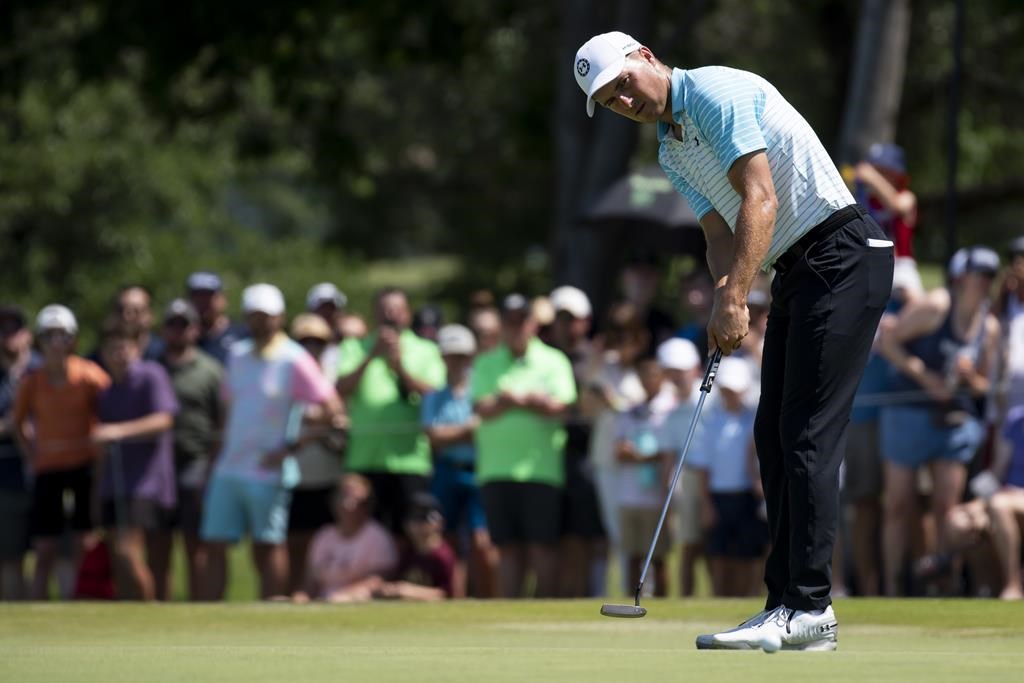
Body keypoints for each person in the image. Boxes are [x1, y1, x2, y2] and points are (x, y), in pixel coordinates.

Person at [574, 31, 894, 649]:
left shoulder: (716, 92)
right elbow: (719, 231)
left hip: (843, 253)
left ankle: (811, 607)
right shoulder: (672, 151)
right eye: (609, 98)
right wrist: (728, 289)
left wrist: (735, 296)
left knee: (805, 435)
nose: (623, 99)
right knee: (771, 435)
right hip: (800, 272)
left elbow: (761, 198)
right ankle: (785, 605)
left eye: (623, 82)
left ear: (644, 55)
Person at [200, 284, 342, 600]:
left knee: (268, 545)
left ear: (279, 317)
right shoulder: (236, 355)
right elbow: (228, 413)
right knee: (214, 543)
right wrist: (214, 461)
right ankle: (208, 616)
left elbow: (333, 412)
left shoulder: (295, 359)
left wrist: (291, 449)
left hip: (268, 470)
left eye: (266, 315)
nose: (260, 322)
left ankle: (271, 611)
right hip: (229, 467)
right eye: (254, 315)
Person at [878, 247, 1001, 596]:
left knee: (947, 509)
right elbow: (889, 342)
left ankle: (944, 586)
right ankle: (891, 589)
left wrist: (968, 379)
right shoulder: (935, 306)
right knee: (898, 504)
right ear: (962, 277)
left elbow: (984, 385)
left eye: (989, 277)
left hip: (954, 421)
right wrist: (925, 377)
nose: (983, 283)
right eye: (979, 275)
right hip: (907, 415)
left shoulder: (988, 326)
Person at [471, 294, 577, 598]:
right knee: (506, 549)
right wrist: (524, 401)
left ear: (531, 324)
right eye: (510, 322)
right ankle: (511, 615)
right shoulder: (486, 362)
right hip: (496, 469)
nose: (516, 328)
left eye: (521, 321)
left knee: (542, 546)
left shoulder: (553, 360)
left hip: (541, 470)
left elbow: (562, 407)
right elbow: (482, 407)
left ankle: (543, 613)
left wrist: (519, 401)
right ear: (502, 325)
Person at [14, 305, 110, 599]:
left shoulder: (90, 375)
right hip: (48, 469)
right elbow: (18, 424)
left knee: (84, 541)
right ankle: (38, 606)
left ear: (74, 339)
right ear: (39, 341)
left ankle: (83, 602)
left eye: (63, 336)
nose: (57, 343)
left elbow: (109, 410)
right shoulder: (32, 382)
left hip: (85, 468)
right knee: (45, 548)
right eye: (49, 336)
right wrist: (31, 455)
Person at [336, 287, 446, 535]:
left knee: (410, 534)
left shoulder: (425, 350)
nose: (390, 315)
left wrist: (400, 367)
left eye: (396, 309)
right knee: (367, 534)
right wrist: (370, 356)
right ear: (374, 313)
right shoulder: (354, 347)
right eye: (385, 309)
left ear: (407, 314)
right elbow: (341, 389)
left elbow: (434, 395)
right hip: (364, 458)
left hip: (410, 461)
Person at [94, 320, 178, 601]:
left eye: (124, 348)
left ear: (136, 349)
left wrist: (119, 430)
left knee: (129, 553)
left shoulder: (152, 375)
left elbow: (164, 419)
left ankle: (149, 614)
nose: (118, 354)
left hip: (146, 484)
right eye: (112, 349)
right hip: (113, 485)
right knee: (120, 560)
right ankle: (130, 615)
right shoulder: (105, 391)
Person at [421, 324, 498, 598]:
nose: (456, 362)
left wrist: (455, 434)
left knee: (482, 541)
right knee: (448, 539)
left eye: (461, 356)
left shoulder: (480, 390)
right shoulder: (433, 396)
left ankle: (490, 600)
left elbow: (481, 431)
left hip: (479, 471)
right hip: (447, 470)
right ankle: (456, 598)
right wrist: (466, 431)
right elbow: (433, 436)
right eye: (450, 356)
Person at [158, 298, 223, 601]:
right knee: (158, 544)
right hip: (156, 467)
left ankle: (196, 609)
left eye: (183, 325)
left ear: (195, 329)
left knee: (195, 544)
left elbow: (221, 422)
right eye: (172, 325)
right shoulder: (153, 368)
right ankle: (159, 609)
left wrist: (211, 468)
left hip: (196, 462)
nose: (177, 331)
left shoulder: (210, 371)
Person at [689, 358, 766, 597]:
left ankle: (747, 600)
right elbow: (704, 468)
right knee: (720, 556)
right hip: (719, 496)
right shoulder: (711, 422)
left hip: (747, 495)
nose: (731, 395)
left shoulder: (755, 418)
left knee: (749, 555)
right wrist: (706, 505)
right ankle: (720, 599)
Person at [584, 301, 648, 585]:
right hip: (607, 460)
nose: (622, 342)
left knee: (640, 528)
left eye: (627, 336)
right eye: (617, 335)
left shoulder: (646, 371)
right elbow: (585, 406)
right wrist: (598, 359)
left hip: (640, 462)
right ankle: (625, 588)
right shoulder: (603, 369)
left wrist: (617, 401)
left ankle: (643, 588)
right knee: (615, 529)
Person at [549, 286, 606, 598]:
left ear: (584, 321)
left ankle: (584, 594)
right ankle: (564, 595)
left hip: (588, 455)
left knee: (585, 536)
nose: (566, 325)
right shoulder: (545, 355)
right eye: (560, 318)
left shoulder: (594, 358)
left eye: (571, 318)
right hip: (551, 456)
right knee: (559, 536)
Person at [285, 313, 347, 596]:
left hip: (329, 474)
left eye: (318, 342)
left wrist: (318, 422)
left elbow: (340, 418)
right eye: (305, 341)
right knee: (293, 546)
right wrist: (323, 423)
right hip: (294, 475)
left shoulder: (336, 374)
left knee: (327, 546)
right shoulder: (284, 372)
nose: (311, 347)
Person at [613, 353, 677, 597]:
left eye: (653, 375)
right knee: (632, 555)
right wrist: (639, 455)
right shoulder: (630, 412)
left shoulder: (669, 411)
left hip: (656, 497)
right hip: (630, 496)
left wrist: (644, 456)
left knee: (659, 557)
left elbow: (670, 452)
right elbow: (618, 451)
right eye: (644, 376)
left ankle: (661, 605)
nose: (648, 380)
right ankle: (632, 600)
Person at [297, 474, 398, 603]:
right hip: (322, 601)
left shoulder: (377, 536)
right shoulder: (324, 535)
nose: (348, 505)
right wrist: (300, 598)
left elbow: (379, 580)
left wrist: (343, 595)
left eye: (357, 500)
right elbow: (310, 581)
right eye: (344, 497)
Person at [654, 337, 702, 596]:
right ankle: (686, 598)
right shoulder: (669, 410)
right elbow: (668, 456)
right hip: (687, 477)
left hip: (720, 479)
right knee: (688, 544)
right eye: (671, 372)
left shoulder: (712, 399)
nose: (677, 377)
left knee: (721, 548)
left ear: (694, 368)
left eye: (681, 371)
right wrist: (665, 492)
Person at [0, 306, 35, 600]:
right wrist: (14, 425)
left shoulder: (44, 369)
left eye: (15, 329)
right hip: (8, 480)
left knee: (53, 555)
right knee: (10, 559)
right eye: (3, 330)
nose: (8, 336)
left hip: (52, 472)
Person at [375, 492, 457, 601]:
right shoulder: (409, 552)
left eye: (423, 519)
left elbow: (448, 594)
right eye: (414, 519)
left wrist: (408, 591)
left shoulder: (442, 556)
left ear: (438, 523)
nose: (418, 525)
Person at [987, 404, 1024, 600]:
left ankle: (1013, 584)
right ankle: (982, 588)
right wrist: (977, 501)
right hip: (1008, 495)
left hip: (1011, 497)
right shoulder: (1016, 417)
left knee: (999, 505)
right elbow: (997, 471)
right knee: (960, 523)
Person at [186, 271, 248, 366]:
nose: (203, 302)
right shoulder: (180, 337)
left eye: (208, 297)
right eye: (198, 297)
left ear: (223, 299)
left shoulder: (242, 335)